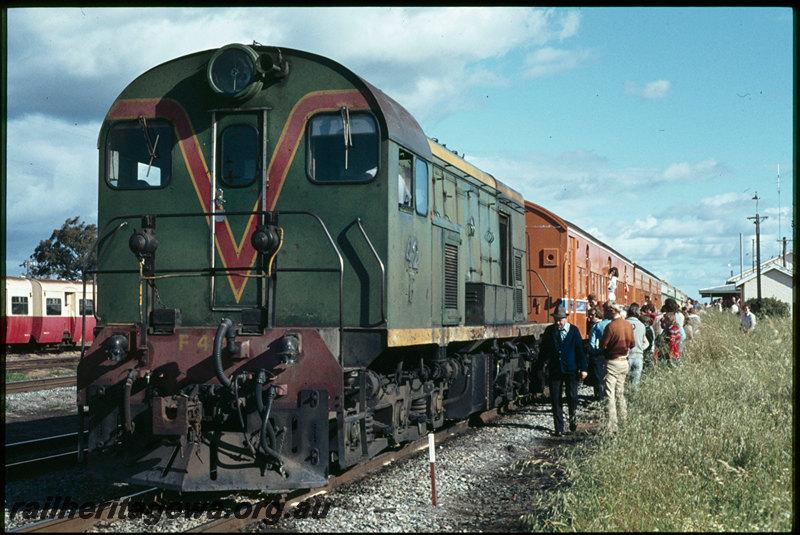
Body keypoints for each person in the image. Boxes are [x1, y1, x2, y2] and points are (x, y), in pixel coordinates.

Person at [539, 305, 588, 436]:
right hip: (555, 370)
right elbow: (543, 352)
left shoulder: (574, 331)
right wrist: (539, 367)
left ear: (565, 319)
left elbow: (580, 351)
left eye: (560, 320)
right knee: (555, 399)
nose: (558, 322)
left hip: (571, 369)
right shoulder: (549, 331)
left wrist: (583, 368)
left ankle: (572, 419)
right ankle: (559, 428)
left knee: (572, 397)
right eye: (556, 319)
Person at [599, 300, 635, 433]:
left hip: (612, 363)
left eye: (605, 311)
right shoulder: (628, 325)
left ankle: (611, 426)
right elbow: (632, 344)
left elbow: (603, 345)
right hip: (624, 362)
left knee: (610, 394)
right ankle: (624, 422)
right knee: (620, 393)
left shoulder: (610, 327)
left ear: (610, 311)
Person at [625, 303, 649, 397]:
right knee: (635, 383)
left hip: (627, 357)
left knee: (625, 383)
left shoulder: (624, 323)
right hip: (638, 356)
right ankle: (634, 403)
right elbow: (646, 342)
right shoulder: (642, 326)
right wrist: (640, 348)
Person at [587, 307, 610, 402]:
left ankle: (600, 399)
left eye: (592, 315)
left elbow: (592, 344)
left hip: (598, 355)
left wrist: (594, 352)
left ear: (598, 315)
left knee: (599, 379)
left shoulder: (595, 326)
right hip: (610, 354)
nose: (590, 317)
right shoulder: (609, 323)